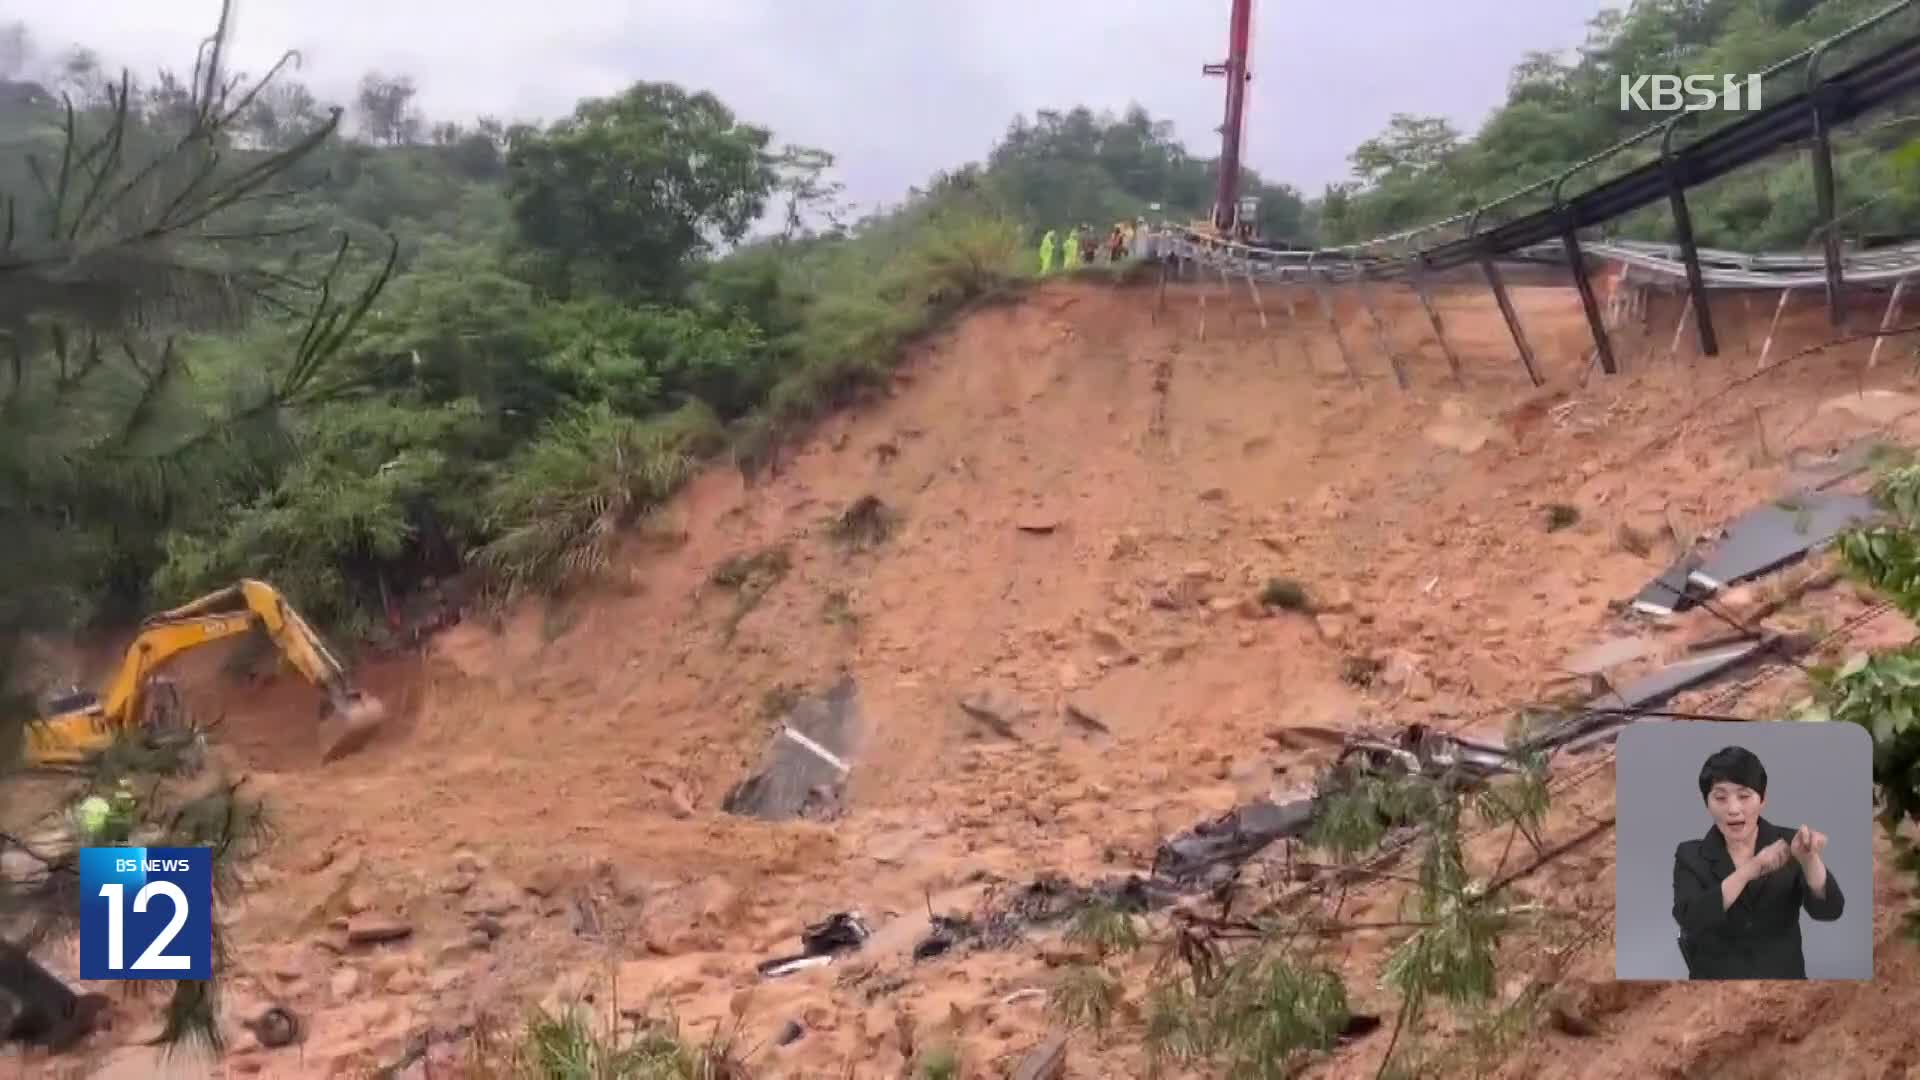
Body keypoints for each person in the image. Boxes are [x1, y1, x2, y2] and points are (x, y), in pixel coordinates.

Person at [1671, 745, 1843, 979]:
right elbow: (1690, 919)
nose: (1733, 809)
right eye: (1720, 797)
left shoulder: (1791, 843)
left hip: (1783, 987)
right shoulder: (1690, 855)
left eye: (1744, 796)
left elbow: (1830, 911)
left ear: (1763, 800)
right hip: (1712, 992)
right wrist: (1749, 870)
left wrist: (1809, 860)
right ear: (1706, 803)